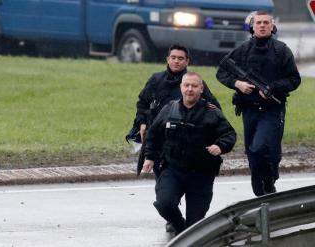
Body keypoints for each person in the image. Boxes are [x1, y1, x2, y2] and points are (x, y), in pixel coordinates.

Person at [128, 44, 220, 233]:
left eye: (181, 58)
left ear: (187, 61)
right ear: (167, 59)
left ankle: (189, 219)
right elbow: (143, 103)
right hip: (158, 138)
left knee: (189, 183)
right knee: (164, 183)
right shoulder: (156, 80)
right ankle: (172, 214)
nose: (176, 61)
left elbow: (213, 107)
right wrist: (142, 123)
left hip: (186, 142)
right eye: (173, 57)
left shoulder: (194, 82)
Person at [216, 10, 301, 196]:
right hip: (249, 110)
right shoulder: (242, 50)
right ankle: (261, 189)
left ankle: (269, 180)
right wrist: (237, 83)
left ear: (272, 26)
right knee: (252, 152)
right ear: (252, 26)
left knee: (263, 148)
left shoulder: (281, 50)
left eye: (266, 22)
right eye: (258, 22)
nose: (262, 25)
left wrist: (273, 87)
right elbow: (221, 71)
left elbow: (294, 79)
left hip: (273, 110)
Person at [142, 72, 236, 235]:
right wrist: (150, 157)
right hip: (173, 169)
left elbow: (229, 134)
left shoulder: (211, 112)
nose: (189, 89)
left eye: (194, 86)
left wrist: (220, 146)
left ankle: (188, 232)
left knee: (195, 223)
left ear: (201, 89)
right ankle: (180, 228)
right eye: (186, 85)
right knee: (164, 204)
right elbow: (153, 135)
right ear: (181, 88)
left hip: (201, 173)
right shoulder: (169, 109)